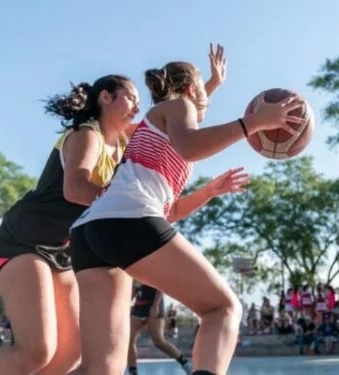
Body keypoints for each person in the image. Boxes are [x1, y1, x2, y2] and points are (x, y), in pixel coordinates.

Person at [68, 44, 306, 375]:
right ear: (192, 90)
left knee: (100, 369)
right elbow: (190, 142)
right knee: (222, 309)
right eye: (202, 94)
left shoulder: (164, 127)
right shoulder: (178, 106)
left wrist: (210, 190)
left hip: (91, 229)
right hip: (126, 219)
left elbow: (171, 211)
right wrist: (252, 122)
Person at [0, 74, 141, 375]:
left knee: (69, 354)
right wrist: (126, 207)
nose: (137, 106)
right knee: (36, 351)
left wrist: (205, 89)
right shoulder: (87, 134)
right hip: (24, 241)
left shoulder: (125, 141)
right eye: (130, 97)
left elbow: (168, 124)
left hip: (61, 251)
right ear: (106, 97)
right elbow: (75, 188)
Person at [127, 283, 191, 375]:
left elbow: (160, 286)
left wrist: (156, 305)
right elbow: (133, 291)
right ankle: (133, 372)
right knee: (129, 340)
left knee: (158, 341)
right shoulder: (132, 275)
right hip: (139, 307)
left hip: (153, 306)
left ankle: (184, 363)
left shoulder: (149, 271)